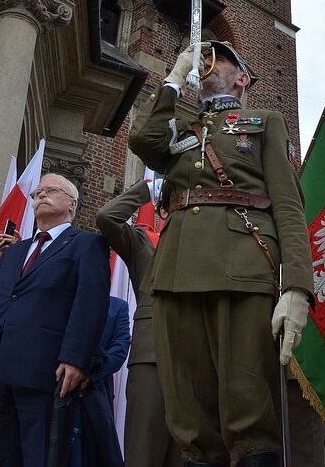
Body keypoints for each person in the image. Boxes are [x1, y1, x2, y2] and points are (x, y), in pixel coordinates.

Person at [128, 41, 314, 467]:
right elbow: (142, 140)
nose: (207, 59)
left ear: (242, 77)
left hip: (244, 270)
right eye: (201, 54)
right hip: (174, 274)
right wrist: (175, 75)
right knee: (190, 422)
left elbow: (288, 204)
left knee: (249, 416)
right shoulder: (178, 126)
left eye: (220, 56)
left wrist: (297, 287)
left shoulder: (264, 121)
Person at [0, 173, 110, 467]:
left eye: (50, 190)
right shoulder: (14, 252)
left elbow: (89, 304)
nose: (40, 195)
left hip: (44, 370)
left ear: (72, 203)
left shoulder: (86, 245)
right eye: (37, 192)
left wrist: (76, 359)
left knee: (38, 454)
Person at [95, 179, 182, 467]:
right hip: (151, 350)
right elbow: (107, 217)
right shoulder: (142, 242)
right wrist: (147, 188)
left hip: (200, 354)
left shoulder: (211, 240)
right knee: (143, 448)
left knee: (191, 454)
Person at [72, 296, 131, 467]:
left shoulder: (118, 307)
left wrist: (88, 377)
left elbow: (120, 350)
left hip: (96, 395)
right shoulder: (65, 298)